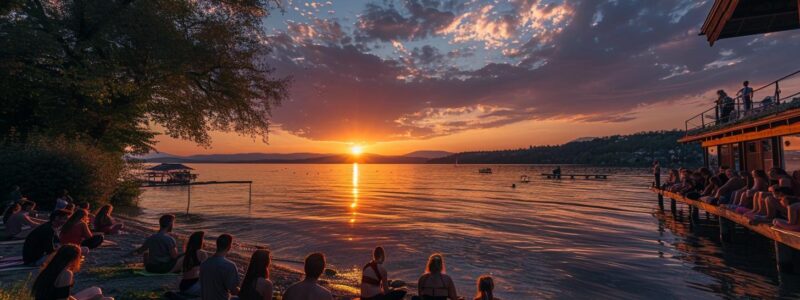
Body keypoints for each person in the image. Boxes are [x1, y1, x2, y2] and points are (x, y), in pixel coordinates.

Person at [30, 244, 114, 300]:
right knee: (108, 299)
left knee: (96, 290)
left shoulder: (49, 269)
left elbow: (61, 294)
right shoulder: (66, 274)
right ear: (74, 258)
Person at [200, 234, 240, 300]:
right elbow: (234, 291)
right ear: (229, 247)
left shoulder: (204, 264)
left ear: (217, 245)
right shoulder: (229, 266)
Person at [177, 231, 208, 296]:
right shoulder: (202, 253)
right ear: (200, 241)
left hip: (183, 286)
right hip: (192, 287)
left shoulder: (187, 253)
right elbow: (205, 272)